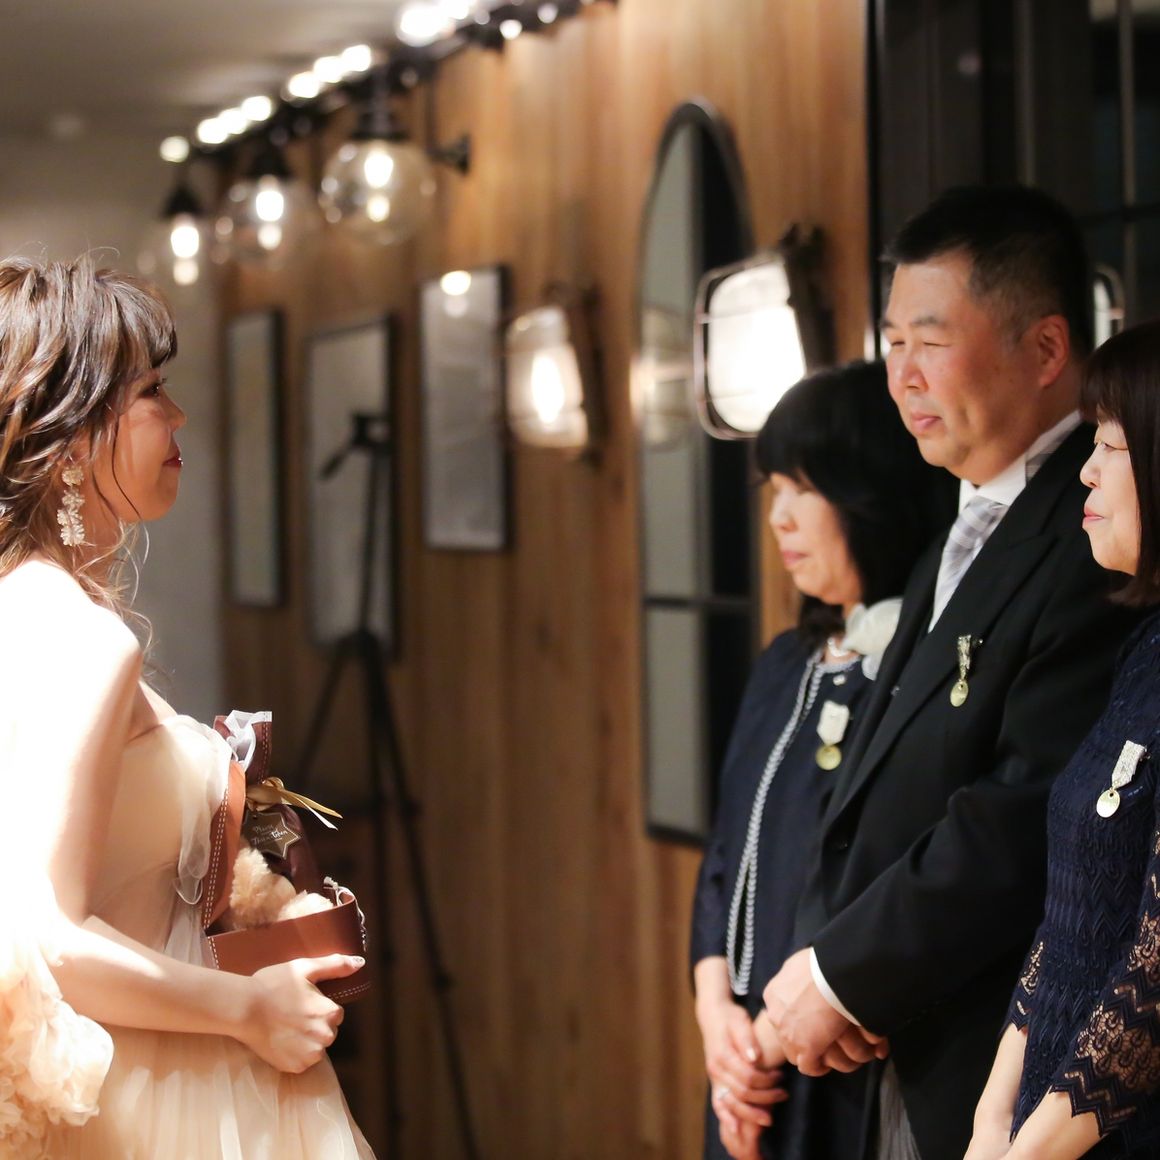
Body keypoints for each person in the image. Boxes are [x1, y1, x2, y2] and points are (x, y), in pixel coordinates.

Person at [755, 185, 1142, 1159]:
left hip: (1001, 1063)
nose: (901, 376)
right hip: (899, 1033)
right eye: (891, 341)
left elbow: (1017, 813)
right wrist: (833, 962)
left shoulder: (1095, 535)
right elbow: (876, 783)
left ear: (1045, 349)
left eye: (929, 341)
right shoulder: (960, 514)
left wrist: (845, 975)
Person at [0, 256, 373, 1157]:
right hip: (166, 1091)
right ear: (71, 439)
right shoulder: (88, 641)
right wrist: (250, 1009)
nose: (178, 417)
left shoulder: (21, 605)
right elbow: (46, 937)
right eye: (151, 393)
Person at [690, 359, 956, 1160]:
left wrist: (763, 1048)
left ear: (872, 496)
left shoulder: (922, 677)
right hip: (742, 1066)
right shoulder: (784, 663)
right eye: (774, 491)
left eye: (804, 490)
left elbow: (899, 880)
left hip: (837, 1060)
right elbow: (724, 857)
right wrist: (715, 1016)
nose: (780, 518)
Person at [967, 318, 1160, 1160]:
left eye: (1111, 444)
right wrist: (991, 1118)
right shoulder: (1146, 649)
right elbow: (1071, 916)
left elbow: (1153, 973)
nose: (1087, 468)